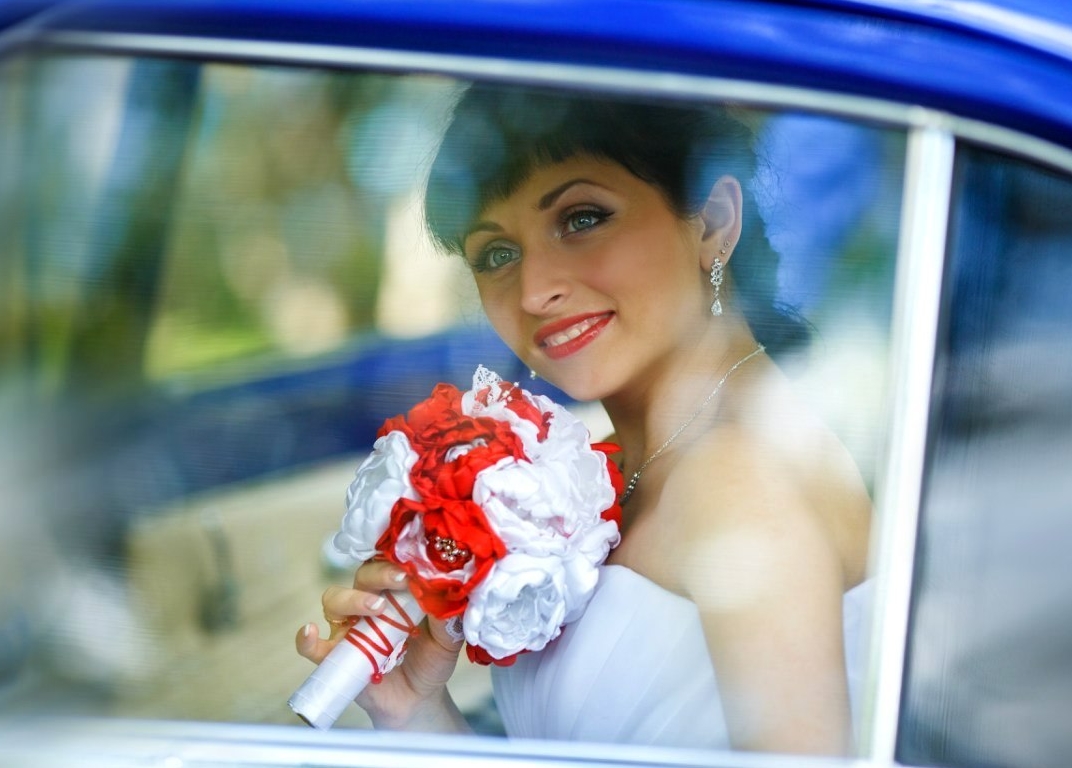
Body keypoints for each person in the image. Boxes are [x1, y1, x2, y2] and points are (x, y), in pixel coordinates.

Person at [296, 83, 873, 755]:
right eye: (497, 254)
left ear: (712, 221)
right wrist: (418, 711)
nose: (537, 290)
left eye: (582, 219)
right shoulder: (608, 467)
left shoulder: (738, 477)